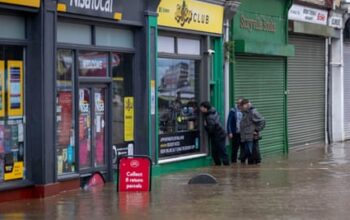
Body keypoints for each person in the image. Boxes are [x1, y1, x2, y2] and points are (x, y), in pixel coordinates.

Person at [200, 102, 229, 166]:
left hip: (218, 135)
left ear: (205, 108)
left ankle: (223, 165)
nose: (200, 109)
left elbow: (211, 129)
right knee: (219, 151)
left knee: (219, 151)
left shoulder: (209, 116)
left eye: (201, 108)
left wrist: (205, 126)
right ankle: (223, 165)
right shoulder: (213, 112)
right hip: (219, 134)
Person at [240, 99, 265, 165]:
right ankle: (251, 166)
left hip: (251, 136)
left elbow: (262, 121)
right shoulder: (245, 112)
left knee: (252, 151)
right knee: (248, 152)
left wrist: (256, 130)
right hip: (245, 136)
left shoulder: (253, 112)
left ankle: (256, 163)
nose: (241, 108)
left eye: (242, 106)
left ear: (246, 105)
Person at [227, 98, 243, 164]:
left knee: (244, 147)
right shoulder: (233, 110)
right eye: (238, 103)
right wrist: (230, 132)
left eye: (241, 103)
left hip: (243, 133)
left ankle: (242, 160)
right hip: (235, 132)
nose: (239, 104)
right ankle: (234, 161)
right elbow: (229, 122)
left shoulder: (245, 110)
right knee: (235, 148)